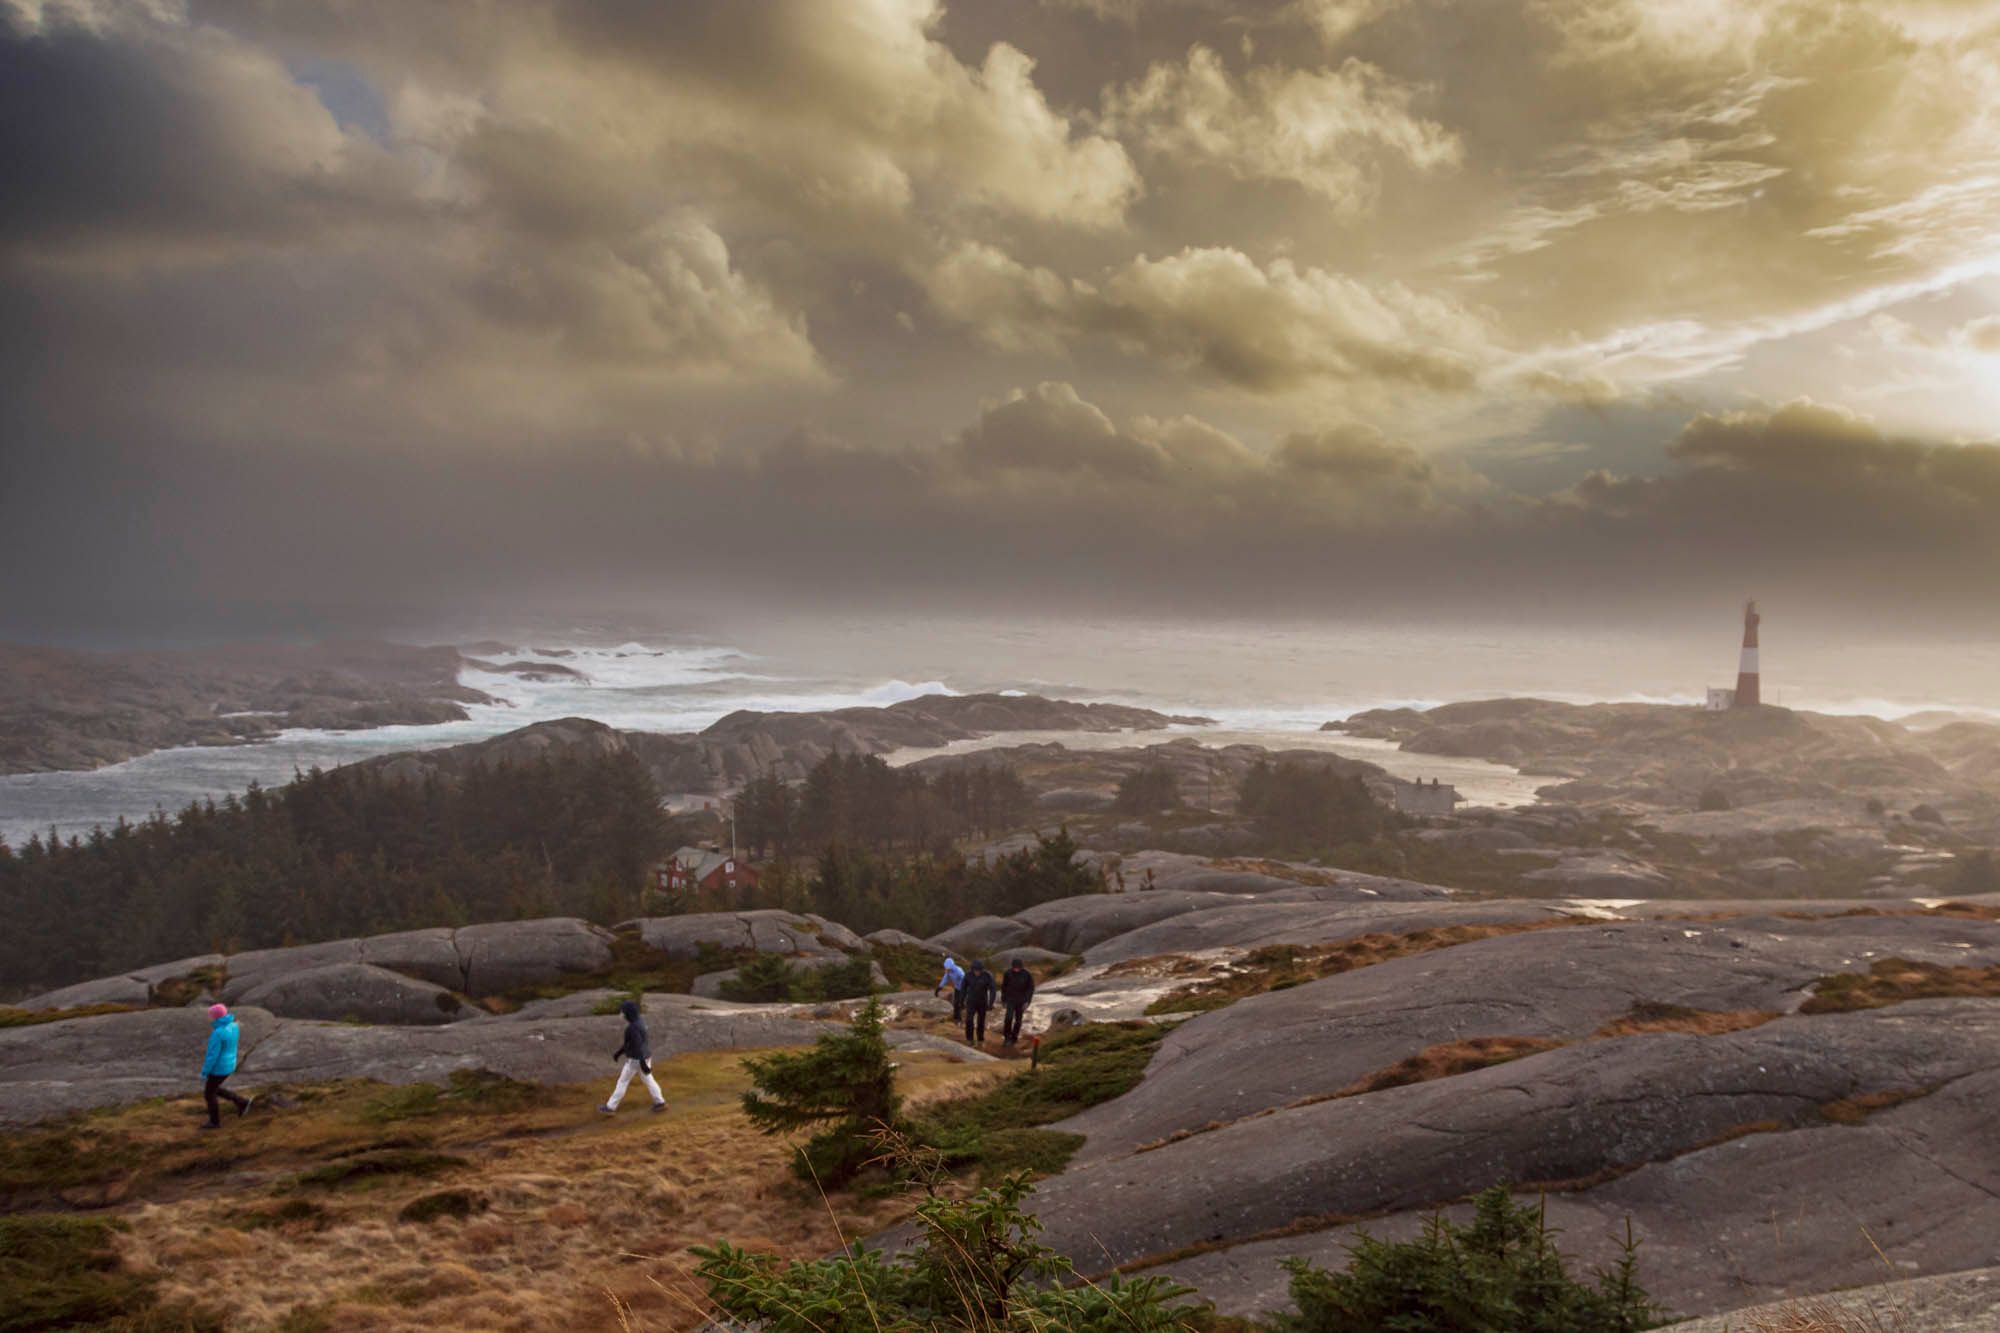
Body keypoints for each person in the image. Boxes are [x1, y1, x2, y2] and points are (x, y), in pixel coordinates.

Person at [600, 999, 666, 1114]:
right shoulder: (640, 1022)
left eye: (622, 1011)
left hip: (636, 1059)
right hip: (646, 1056)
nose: (620, 1014)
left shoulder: (631, 1028)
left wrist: (641, 1063)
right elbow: (633, 1043)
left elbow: (636, 1045)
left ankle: (610, 1107)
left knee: (622, 1082)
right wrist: (619, 1053)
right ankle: (660, 1102)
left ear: (628, 1013)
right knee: (649, 1080)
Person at [200, 1003, 252, 1130]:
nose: (209, 1018)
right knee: (214, 1088)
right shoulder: (234, 1026)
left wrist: (205, 1071)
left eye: (210, 1016)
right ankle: (242, 1102)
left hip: (219, 1068)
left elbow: (212, 1055)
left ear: (216, 1017)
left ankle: (215, 1122)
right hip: (229, 1064)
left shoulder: (218, 1033)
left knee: (209, 1094)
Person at [999, 958, 1036, 1045]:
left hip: (1021, 1001)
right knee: (1008, 1018)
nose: (1016, 969)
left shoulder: (1027, 974)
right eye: (1014, 967)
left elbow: (1030, 988)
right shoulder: (1007, 973)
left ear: (1021, 967)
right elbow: (1004, 987)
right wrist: (1003, 1000)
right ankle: (1007, 1037)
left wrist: (1027, 1001)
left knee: (1018, 1020)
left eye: (1018, 968)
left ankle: (1014, 1037)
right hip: (1010, 999)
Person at [960, 959, 996, 1046]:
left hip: (982, 1002)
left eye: (979, 970)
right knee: (969, 1020)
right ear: (972, 969)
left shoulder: (987, 976)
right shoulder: (968, 975)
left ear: (982, 969)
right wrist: (961, 1001)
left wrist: (990, 1003)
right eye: (975, 970)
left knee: (981, 1022)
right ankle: (969, 1039)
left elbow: (992, 990)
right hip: (971, 1001)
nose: (977, 972)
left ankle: (980, 1039)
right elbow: (963, 989)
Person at [935, 955, 966, 1023]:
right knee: (956, 1003)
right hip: (957, 988)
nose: (946, 970)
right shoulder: (948, 972)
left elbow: (965, 979)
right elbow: (944, 979)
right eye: (945, 968)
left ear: (951, 966)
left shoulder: (958, 970)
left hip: (965, 988)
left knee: (960, 1003)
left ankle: (960, 1019)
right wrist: (939, 988)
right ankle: (956, 1018)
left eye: (947, 968)